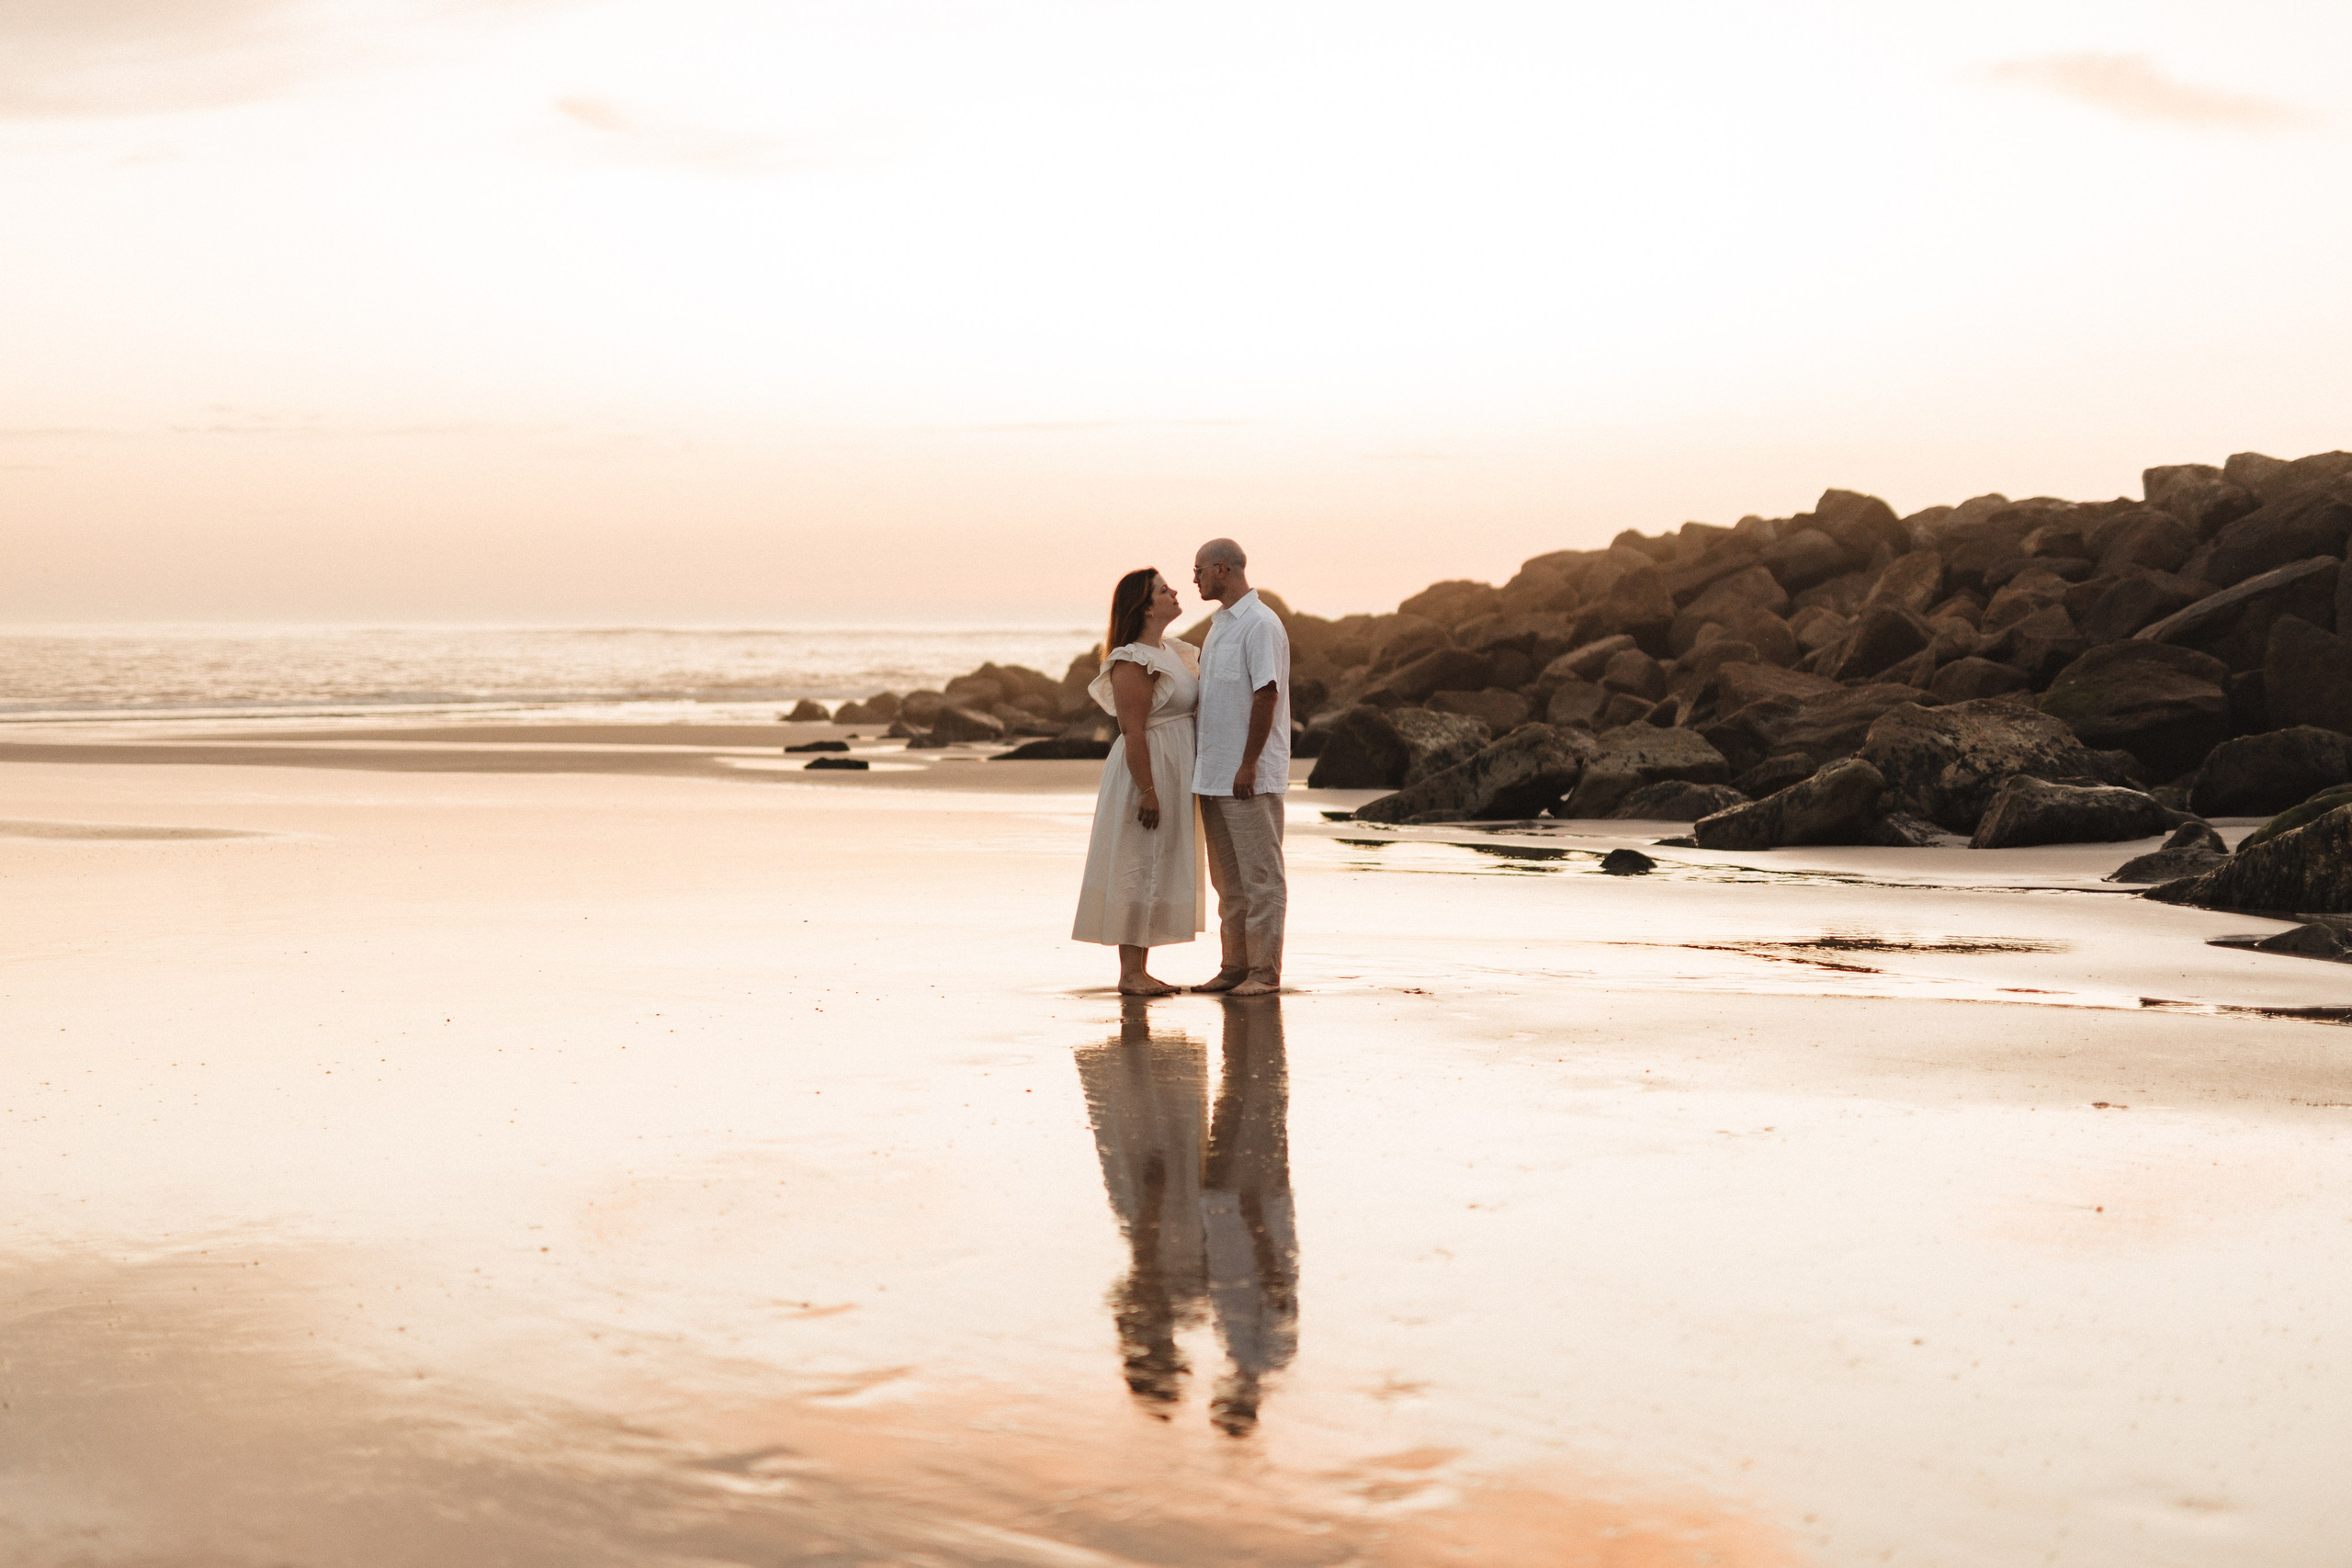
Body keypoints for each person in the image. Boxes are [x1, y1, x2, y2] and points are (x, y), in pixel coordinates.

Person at [1071, 568, 1205, 994]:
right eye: (1165, 590)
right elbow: (1132, 729)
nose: (1175, 591)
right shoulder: (1132, 659)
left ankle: (1141, 969)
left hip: (1173, 766)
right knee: (1137, 857)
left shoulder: (1172, 651)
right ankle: (1130, 973)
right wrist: (1147, 789)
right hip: (1145, 769)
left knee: (1158, 861)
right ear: (1146, 606)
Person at [1188, 538, 1290, 996]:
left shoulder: (1260, 624)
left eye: (1199, 570)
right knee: (1228, 883)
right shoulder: (1218, 628)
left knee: (1261, 879)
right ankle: (1234, 968)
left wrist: (1249, 764)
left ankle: (1264, 973)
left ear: (1222, 569)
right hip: (1213, 776)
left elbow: (1265, 693)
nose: (1194, 579)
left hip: (1248, 775)